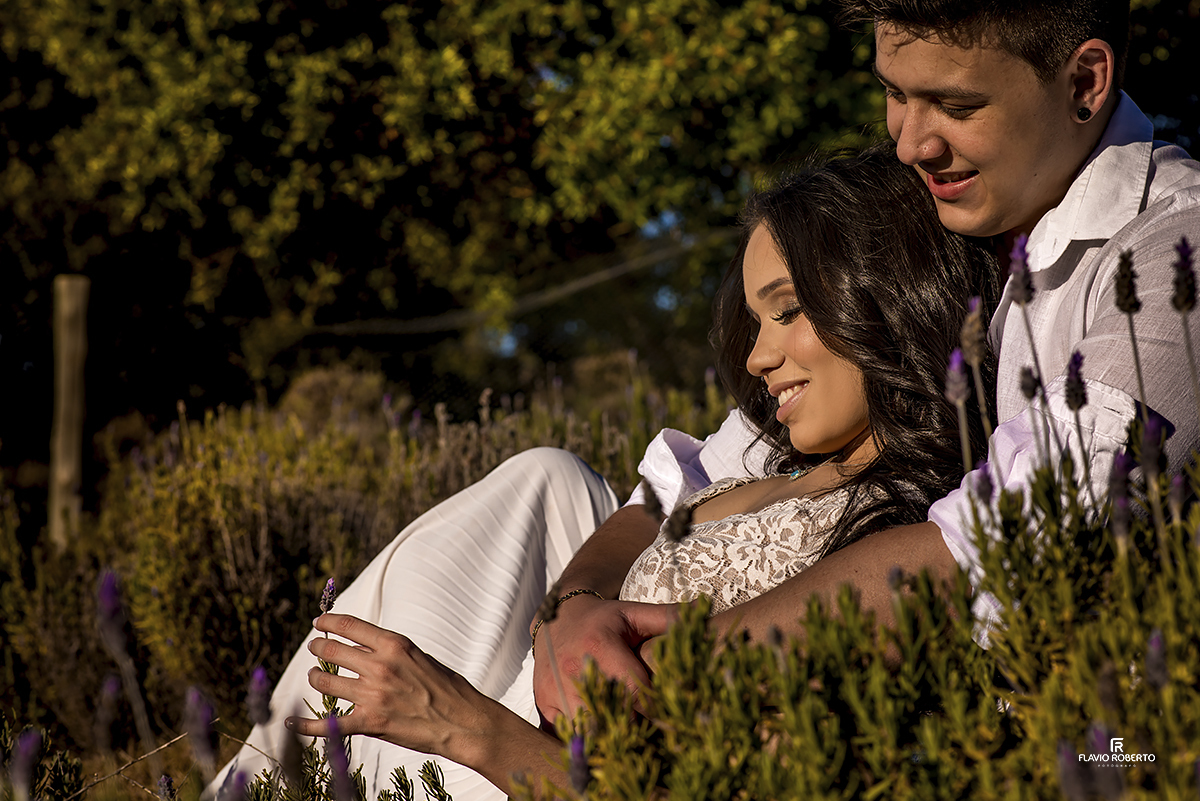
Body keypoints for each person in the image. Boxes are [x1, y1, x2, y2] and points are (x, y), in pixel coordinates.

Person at [212, 146, 998, 798]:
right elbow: (653, 495)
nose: (758, 357)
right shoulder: (782, 458)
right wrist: (575, 606)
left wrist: (466, 726)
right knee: (542, 474)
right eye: (756, 321)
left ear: (888, 297)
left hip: (517, 767)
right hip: (512, 703)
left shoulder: (904, 549)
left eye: (788, 310)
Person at [532, 0, 1200, 724]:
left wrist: (669, 668)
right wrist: (573, 612)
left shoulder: (1175, 249)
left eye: (955, 105)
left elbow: (1026, 533)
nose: (910, 144)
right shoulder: (941, 206)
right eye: (893, 93)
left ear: (1085, 82)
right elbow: (685, 483)